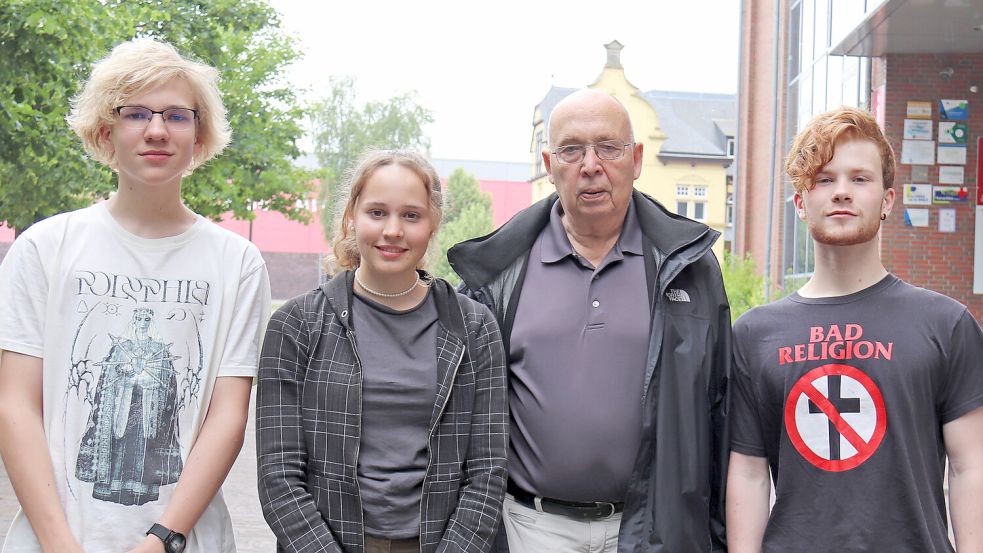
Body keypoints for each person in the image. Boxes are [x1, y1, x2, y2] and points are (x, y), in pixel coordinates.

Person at [0, 38, 271, 553]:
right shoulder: (45, 248)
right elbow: (15, 404)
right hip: (56, 539)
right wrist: (59, 544)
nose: (156, 130)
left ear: (199, 134)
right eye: (136, 114)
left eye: (176, 115)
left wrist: (163, 538)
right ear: (106, 130)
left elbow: (227, 415)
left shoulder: (237, 263)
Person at [448, 89, 731, 553]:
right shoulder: (496, 273)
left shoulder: (689, 267)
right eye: (572, 149)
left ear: (636, 158)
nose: (591, 165)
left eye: (608, 147)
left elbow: (720, 409)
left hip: (653, 530)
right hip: (530, 530)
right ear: (549, 162)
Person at [726, 106, 983, 553]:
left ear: (887, 200)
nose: (842, 192)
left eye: (859, 179)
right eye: (825, 179)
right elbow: (748, 473)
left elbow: (971, 466)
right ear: (801, 202)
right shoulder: (753, 335)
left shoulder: (946, 324)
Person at [256, 149, 508, 553]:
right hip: (329, 543)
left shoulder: (473, 328)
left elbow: (487, 472)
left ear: (433, 223)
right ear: (351, 217)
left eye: (411, 215)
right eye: (377, 212)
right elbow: (279, 475)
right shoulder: (297, 325)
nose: (393, 230)